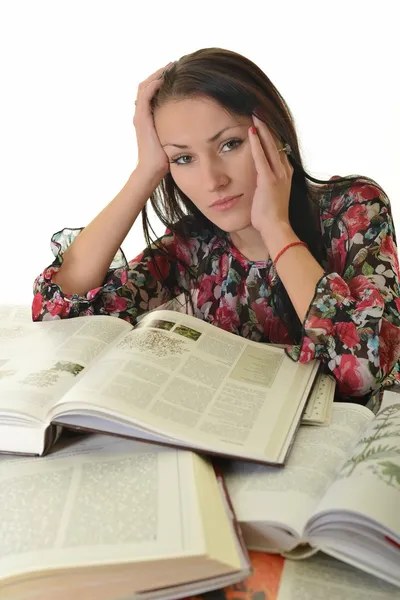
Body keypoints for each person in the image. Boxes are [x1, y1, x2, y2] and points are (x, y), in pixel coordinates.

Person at [32, 47, 400, 410]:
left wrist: (274, 226)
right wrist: (145, 172)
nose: (212, 180)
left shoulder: (353, 210)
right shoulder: (195, 245)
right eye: (184, 158)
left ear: (274, 134)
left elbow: (364, 370)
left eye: (229, 144)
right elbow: (58, 315)